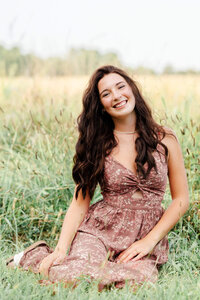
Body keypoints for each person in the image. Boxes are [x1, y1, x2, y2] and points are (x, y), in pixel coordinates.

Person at [7, 65, 189, 290]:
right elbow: (80, 202)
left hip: (144, 235)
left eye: (120, 87)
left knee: (137, 282)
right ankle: (37, 257)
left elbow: (181, 200)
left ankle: (65, 263)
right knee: (76, 275)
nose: (116, 96)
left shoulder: (165, 139)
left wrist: (149, 241)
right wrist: (61, 249)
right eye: (106, 94)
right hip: (100, 231)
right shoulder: (98, 143)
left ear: (132, 89)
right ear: (101, 106)